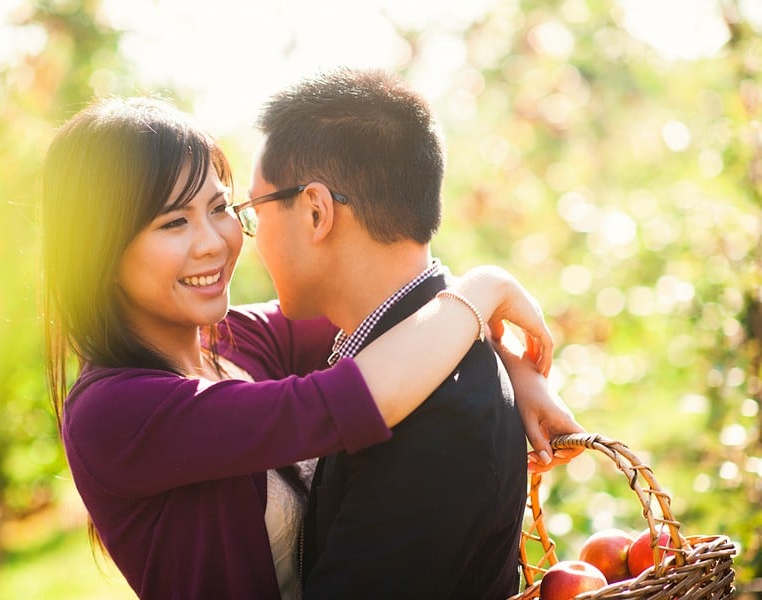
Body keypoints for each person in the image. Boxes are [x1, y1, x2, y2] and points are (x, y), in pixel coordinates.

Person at [41, 96, 577, 599]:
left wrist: (514, 364)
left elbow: (396, 306)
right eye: (174, 222)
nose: (213, 241)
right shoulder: (115, 412)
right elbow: (347, 402)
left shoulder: (237, 341)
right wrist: (486, 288)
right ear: (101, 251)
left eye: (220, 207)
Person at [243, 67, 578, 599]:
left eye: (253, 211)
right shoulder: (405, 354)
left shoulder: (442, 415)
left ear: (315, 212)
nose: (250, 239)